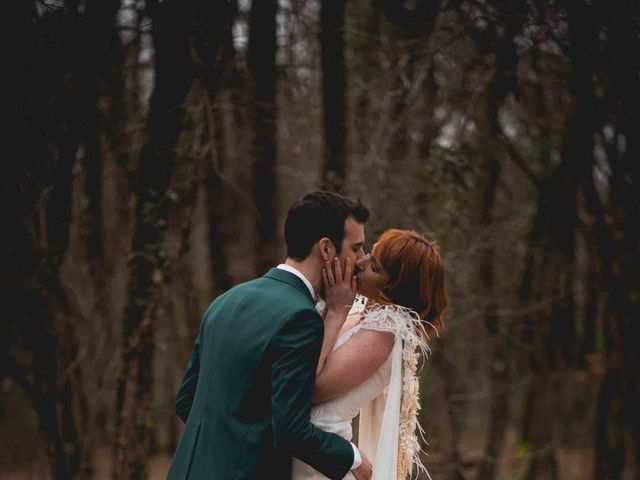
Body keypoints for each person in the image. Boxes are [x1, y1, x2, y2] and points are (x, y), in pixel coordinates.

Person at [166, 191, 374, 480]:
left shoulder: (224, 301)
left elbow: (186, 401)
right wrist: (352, 458)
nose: (362, 261)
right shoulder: (301, 318)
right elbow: (290, 430)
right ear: (326, 248)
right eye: (357, 249)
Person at [292, 229, 447, 480]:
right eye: (369, 254)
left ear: (395, 287)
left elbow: (309, 389)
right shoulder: (362, 312)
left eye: (374, 266)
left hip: (318, 461)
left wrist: (335, 313)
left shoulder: (385, 329)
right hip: (307, 447)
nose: (361, 262)